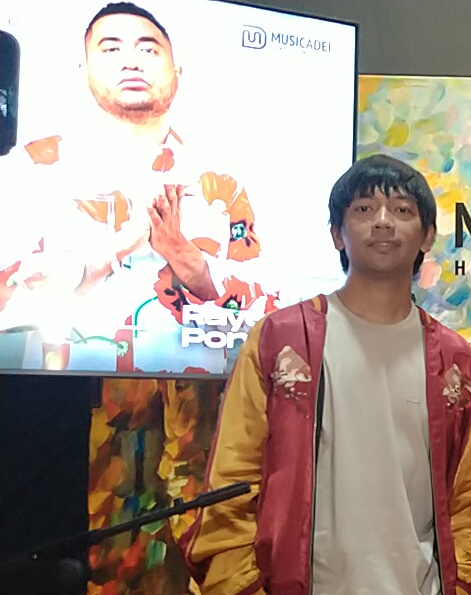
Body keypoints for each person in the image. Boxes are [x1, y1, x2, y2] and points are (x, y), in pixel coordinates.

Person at [179, 154, 471, 595]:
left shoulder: (454, 361)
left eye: (402, 211)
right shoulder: (282, 339)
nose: (383, 222)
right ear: (336, 233)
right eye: (365, 209)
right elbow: (229, 481)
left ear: (426, 236)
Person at [0, 1, 273, 372]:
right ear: (84, 70)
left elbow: (267, 316)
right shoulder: (33, 169)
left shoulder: (221, 186)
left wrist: (188, 261)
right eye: (111, 49)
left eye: (148, 50)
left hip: (193, 400)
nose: (131, 62)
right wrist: (116, 250)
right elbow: (7, 296)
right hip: (59, 396)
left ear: (177, 72)